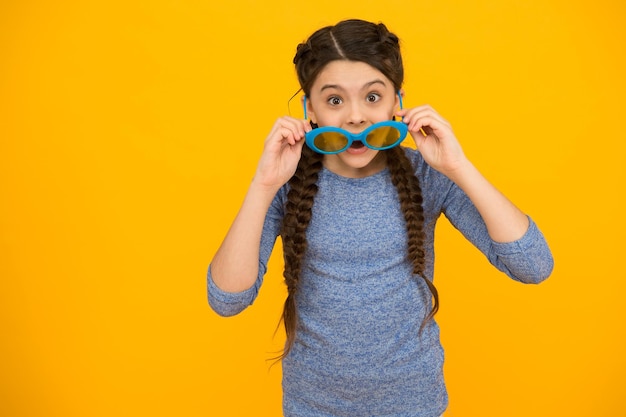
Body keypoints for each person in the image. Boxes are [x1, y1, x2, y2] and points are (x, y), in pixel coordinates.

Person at [207, 19, 553, 417]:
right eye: (334, 100)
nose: (356, 116)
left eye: (373, 97)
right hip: (312, 406)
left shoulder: (429, 174)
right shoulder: (286, 180)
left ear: (396, 102)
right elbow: (227, 300)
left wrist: (458, 167)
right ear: (310, 110)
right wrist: (263, 184)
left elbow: (534, 266)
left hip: (414, 404)